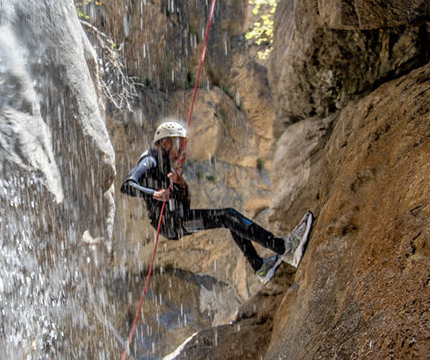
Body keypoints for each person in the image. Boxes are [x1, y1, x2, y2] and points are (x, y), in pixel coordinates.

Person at [121, 121, 313, 283]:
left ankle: (260, 267)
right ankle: (283, 248)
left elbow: (185, 207)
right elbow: (127, 184)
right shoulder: (151, 159)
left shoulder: (166, 169)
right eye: (180, 143)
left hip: (174, 219)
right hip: (169, 222)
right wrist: (155, 193)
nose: (183, 149)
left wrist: (181, 186)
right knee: (228, 216)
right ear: (165, 142)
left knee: (230, 220)